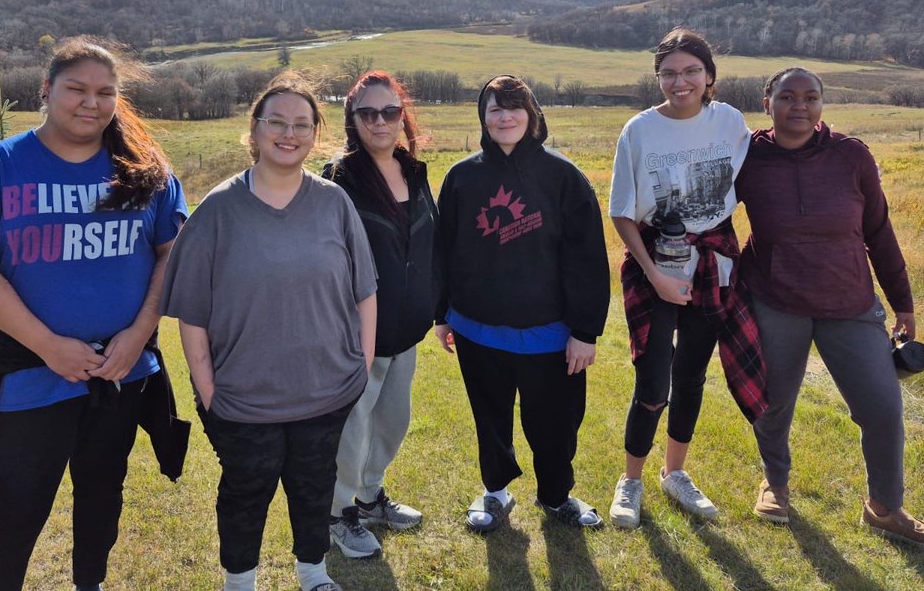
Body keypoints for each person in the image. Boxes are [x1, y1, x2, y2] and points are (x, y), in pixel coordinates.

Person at [0, 38, 190, 591]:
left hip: (122, 371)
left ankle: (89, 583)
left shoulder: (143, 172)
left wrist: (137, 335)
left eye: (106, 93)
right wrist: (49, 345)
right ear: (46, 91)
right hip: (33, 374)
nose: (90, 103)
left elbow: (171, 254)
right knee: (19, 505)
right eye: (76, 89)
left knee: (102, 494)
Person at [161, 72, 378, 591]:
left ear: (315, 133)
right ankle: (240, 582)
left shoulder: (333, 203)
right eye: (276, 122)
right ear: (254, 130)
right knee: (245, 490)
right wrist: (208, 388)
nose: (290, 133)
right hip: (242, 395)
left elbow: (365, 291)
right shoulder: (218, 209)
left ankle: (314, 574)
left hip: (324, 389)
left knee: (313, 486)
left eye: (302, 124)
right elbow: (192, 312)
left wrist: (362, 363)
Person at [735, 66, 924, 549]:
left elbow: (878, 230)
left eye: (810, 97)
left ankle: (885, 507)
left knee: (881, 407)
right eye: (788, 97)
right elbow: (709, 218)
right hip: (775, 299)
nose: (800, 106)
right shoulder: (746, 156)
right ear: (767, 102)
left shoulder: (851, 156)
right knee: (773, 402)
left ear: (822, 104)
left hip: (850, 301)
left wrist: (903, 301)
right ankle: (775, 482)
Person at [434, 74, 610, 532]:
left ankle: (557, 497)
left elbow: (588, 258)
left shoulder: (564, 177)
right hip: (478, 329)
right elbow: (444, 249)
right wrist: (442, 313)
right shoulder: (462, 177)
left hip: (549, 334)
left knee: (556, 425)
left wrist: (585, 332)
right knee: (490, 418)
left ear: (532, 116)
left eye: (514, 107)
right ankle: (494, 494)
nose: (505, 116)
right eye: (495, 108)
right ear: (483, 117)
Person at [608, 27, 765, 530]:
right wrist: (654, 276)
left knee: (692, 375)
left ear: (709, 76)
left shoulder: (730, 123)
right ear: (658, 79)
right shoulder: (639, 131)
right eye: (669, 73)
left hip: (713, 258)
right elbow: (622, 213)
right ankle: (630, 481)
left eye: (691, 71)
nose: (681, 82)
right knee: (653, 379)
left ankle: (675, 473)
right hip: (656, 258)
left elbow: (755, 181)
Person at [322, 71, 439, 558]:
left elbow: (431, 245)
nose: (380, 121)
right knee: (350, 427)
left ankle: (370, 496)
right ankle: (336, 513)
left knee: (391, 421)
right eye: (367, 113)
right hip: (356, 334)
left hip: (406, 330)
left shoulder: (415, 172)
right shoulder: (338, 180)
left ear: (402, 115)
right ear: (353, 120)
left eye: (389, 111)